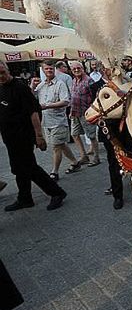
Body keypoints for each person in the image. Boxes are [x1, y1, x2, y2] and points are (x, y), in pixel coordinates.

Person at [0, 60, 68, 211]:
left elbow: (34, 113)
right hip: (9, 138)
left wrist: (39, 136)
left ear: (8, 70)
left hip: (23, 136)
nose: (1, 76)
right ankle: (25, 198)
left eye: (2, 73)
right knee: (18, 168)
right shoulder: (1, 88)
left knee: (30, 167)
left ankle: (57, 193)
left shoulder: (20, 88)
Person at [36, 60, 81, 181]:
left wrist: (48, 106)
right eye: (47, 69)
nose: (49, 71)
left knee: (56, 147)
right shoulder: (41, 85)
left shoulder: (60, 84)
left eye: (51, 69)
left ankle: (54, 172)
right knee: (61, 144)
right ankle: (75, 162)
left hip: (58, 121)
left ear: (54, 70)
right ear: (43, 70)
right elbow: (31, 98)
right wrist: (31, 87)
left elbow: (66, 101)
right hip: (46, 121)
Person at [69, 61, 101, 166]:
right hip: (75, 112)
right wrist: (71, 111)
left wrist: (94, 111)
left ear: (83, 69)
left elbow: (96, 97)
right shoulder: (74, 81)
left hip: (86, 112)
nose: (77, 70)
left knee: (91, 135)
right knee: (74, 134)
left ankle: (96, 157)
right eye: (74, 69)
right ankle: (84, 156)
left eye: (79, 68)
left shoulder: (89, 81)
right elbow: (73, 96)